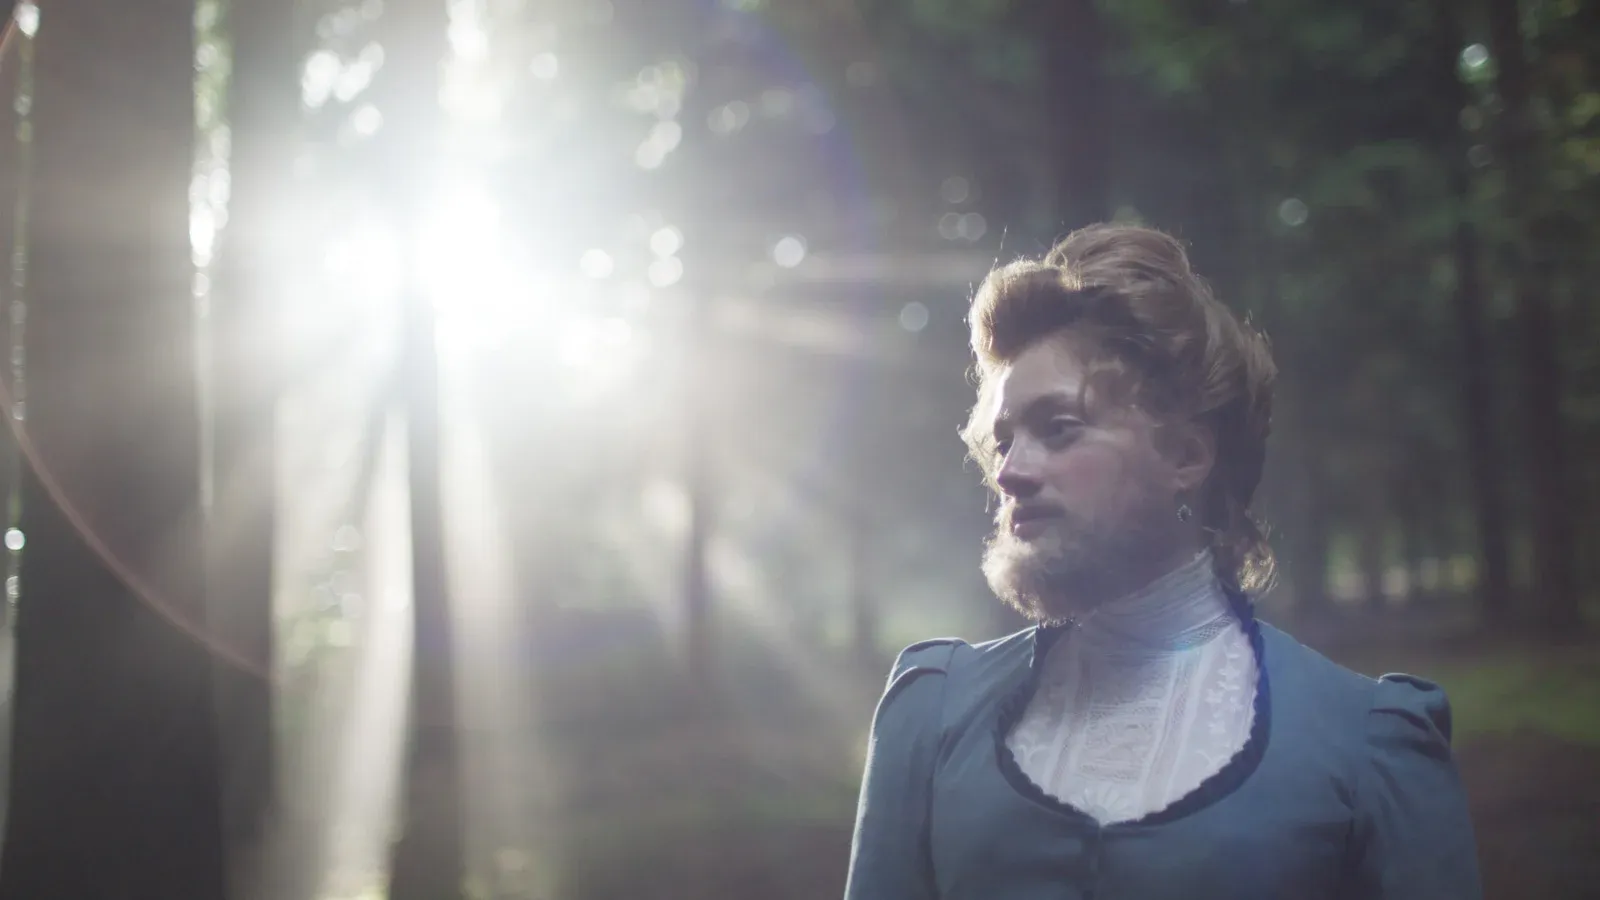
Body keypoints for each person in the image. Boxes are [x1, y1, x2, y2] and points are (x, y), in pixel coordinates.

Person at [842, 225, 1481, 900]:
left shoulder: (1368, 748)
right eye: (1002, 441)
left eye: (1057, 429)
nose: (1010, 472)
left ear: (1186, 457)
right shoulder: (931, 715)